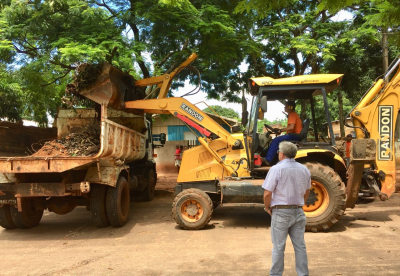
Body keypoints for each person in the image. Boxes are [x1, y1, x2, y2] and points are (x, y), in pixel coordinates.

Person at [262, 141, 311, 276]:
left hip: (281, 212)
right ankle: (303, 274)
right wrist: (301, 204)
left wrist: (267, 207)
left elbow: (267, 193)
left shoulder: (276, 169)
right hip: (299, 211)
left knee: (278, 247)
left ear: (281, 154)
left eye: (278, 152)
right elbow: (307, 191)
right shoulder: (304, 169)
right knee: (300, 246)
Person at [263, 100, 303, 165]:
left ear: (290, 107)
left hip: (295, 136)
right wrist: (280, 130)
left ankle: (268, 159)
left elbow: (291, 127)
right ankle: (271, 159)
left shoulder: (292, 114)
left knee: (276, 140)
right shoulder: (292, 114)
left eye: (286, 106)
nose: (284, 107)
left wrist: (281, 130)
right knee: (274, 141)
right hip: (294, 135)